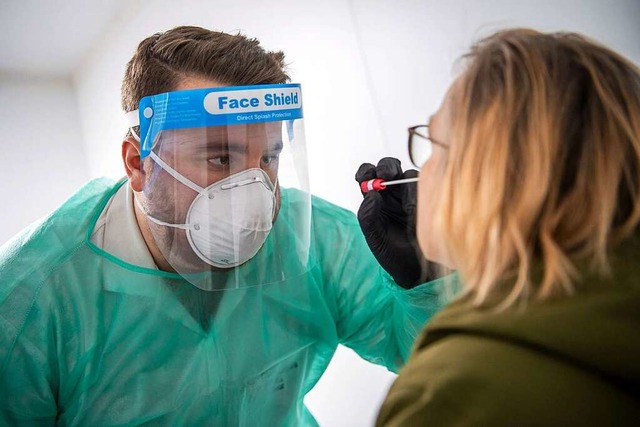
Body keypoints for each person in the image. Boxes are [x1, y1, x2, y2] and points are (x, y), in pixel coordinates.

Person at [0, 26, 451, 426]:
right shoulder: (29, 303)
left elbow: (434, 355)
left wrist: (427, 278)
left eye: (267, 158)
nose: (253, 191)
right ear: (138, 163)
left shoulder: (311, 238)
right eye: (220, 158)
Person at [377, 28, 640, 426]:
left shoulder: (445, 399)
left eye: (434, 144)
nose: (422, 170)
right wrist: (429, 284)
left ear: (502, 175)